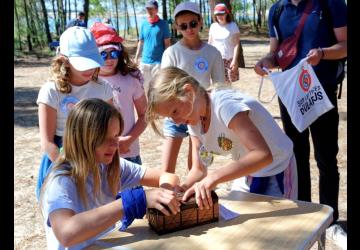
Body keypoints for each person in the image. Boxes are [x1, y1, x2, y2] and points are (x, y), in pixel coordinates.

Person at [254, 0, 347, 247]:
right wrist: (265, 62)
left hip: (321, 93)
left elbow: (345, 45)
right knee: (297, 157)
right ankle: (305, 214)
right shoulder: (277, 10)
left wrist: (324, 53)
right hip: (291, 94)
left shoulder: (331, 4)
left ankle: (330, 219)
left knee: (326, 158)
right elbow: (276, 54)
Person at [146, 67, 298, 208]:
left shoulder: (225, 106)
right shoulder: (193, 119)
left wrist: (213, 178)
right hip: (247, 172)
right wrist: (184, 188)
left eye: (174, 112)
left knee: (275, 227)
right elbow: (199, 169)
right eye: (169, 117)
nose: (176, 121)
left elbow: (262, 155)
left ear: (189, 91)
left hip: (277, 169)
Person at [39, 98, 181, 249]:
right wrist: (129, 203)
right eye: (104, 138)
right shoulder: (61, 179)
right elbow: (66, 233)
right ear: (82, 138)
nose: (114, 145)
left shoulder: (109, 166)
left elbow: (168, 176)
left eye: (116, 136)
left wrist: (165, 195)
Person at [35, 26, 113, 200]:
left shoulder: (103, 88)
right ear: (64, 60)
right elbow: (47, 143)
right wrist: (70, 171)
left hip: (96, 155)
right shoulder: (51, 91)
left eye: (92, 61)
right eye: (82, 63)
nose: (89, 68)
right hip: (62, 159)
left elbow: (110, 128)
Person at [160, 1, 226, 175]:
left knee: (198, 168)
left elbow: (220, 86)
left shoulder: (213, 53)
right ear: (176, 27)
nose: (189, 29)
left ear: (201, 21)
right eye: (183, 26)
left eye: (193, 24)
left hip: (201, 115)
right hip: (175, 113)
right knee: (167, 170)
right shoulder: (171, 53)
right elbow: (165, 86)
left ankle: (194, 200)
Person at [90, 22, 147, 165]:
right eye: (103, 54)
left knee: (131, 188)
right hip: (96, 155)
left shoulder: (131, 78)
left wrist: (129, 139)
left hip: (128, 153)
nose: (109, 59)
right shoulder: (88, 80)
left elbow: (145, 115)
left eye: (114, 52)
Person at [134, 0, 171, 91]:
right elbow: (141, 42)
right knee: (144, 88)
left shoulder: (163, 24)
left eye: (151, 8)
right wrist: (136, 57)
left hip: (158, 63)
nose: (149, 11)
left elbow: (167, 44)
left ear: (156, 10)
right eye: (147, 9)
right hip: (144, 62)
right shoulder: (143, 24)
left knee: (157, 88)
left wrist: (168, 60)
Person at [208, 3, 241, 83]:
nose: (220, 16)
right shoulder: (213, 26)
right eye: (218, 14)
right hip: (215, 59)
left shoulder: (233, 26)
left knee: (227, 85)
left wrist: (234, 60)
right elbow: (209, 43)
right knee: (216, 84)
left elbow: (236, 45)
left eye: (222, 14)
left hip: (229, 60)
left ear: (226, 13)